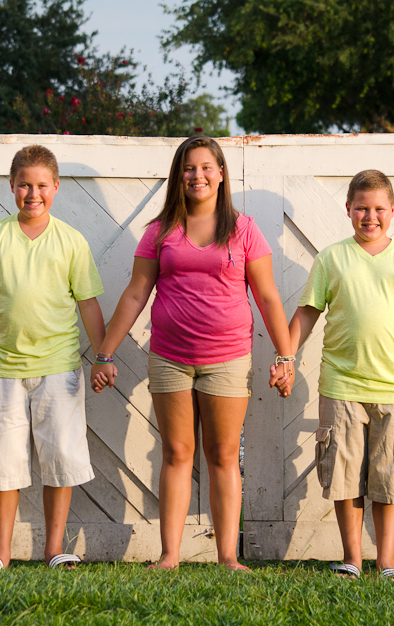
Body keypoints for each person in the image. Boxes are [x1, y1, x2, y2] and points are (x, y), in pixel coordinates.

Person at [90, 135, 293, 571]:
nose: (197, 175)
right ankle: (170, 556)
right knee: (176, 454)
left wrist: (286, 355)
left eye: (205, 167)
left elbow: (269, 297)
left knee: (222, 456)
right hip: (169, 358)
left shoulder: (244, 229)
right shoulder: (159, 230)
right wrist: (104, 354)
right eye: (188, 168)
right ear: (177, 176)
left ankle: (227, 558)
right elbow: (136, 293)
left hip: (228, 358)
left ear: (221, 173)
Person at [277, 169, 394, 579]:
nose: (370, 217)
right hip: (342, 384)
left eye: (379, 209)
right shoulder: (331, 258)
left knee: (391, 476)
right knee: (345, 476)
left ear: (393, 211)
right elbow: (307, 313)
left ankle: (386, 562)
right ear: (348, 209)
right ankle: (353, 558)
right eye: (361, 208)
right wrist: (285, 357)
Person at [0, 144, 109, 570]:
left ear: (56, 187)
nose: (33, 193)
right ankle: (1, 553)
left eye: (42, 185)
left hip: (59, 369)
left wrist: (103, 356)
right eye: (24, 184)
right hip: (2, 371)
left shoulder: (71, 241)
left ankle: (53, 549)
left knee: (59, 458)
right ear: (11, 186)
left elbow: (89, 304)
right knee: (3, 462)